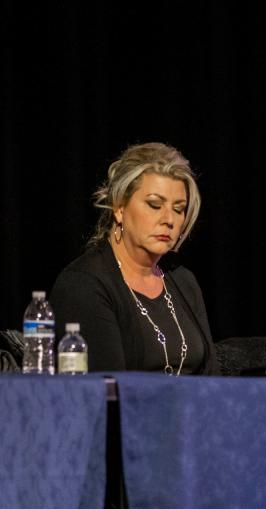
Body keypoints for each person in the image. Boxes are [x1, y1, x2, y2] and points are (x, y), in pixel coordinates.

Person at [50, 142, 217, 374]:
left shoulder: (183, 281)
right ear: (119, 207)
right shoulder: (84, 284)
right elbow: (106, 389)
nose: (169, 219)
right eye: (154, 205)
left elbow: (212, 379)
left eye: (179, 209)